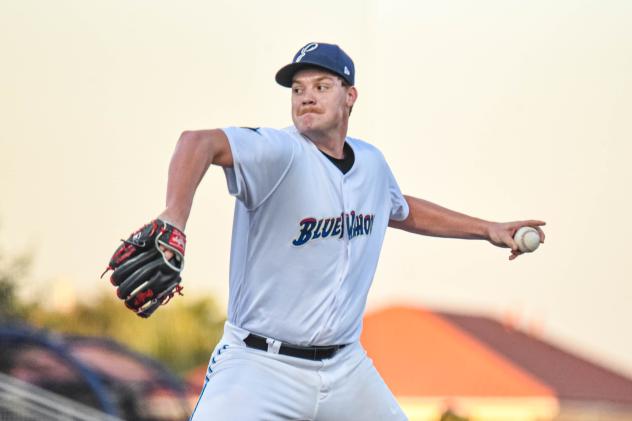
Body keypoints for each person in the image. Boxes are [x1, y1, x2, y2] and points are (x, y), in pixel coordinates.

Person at [156, 42, 545, 420]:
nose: (306, 97)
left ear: (350, 96)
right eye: (298, 89)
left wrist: (487, 229)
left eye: (321, 87)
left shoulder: (371, 164)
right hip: (259, 367)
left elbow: (401, 209)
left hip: (344, 369)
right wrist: (174, 219)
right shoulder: (278, 152)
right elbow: (197, 142)